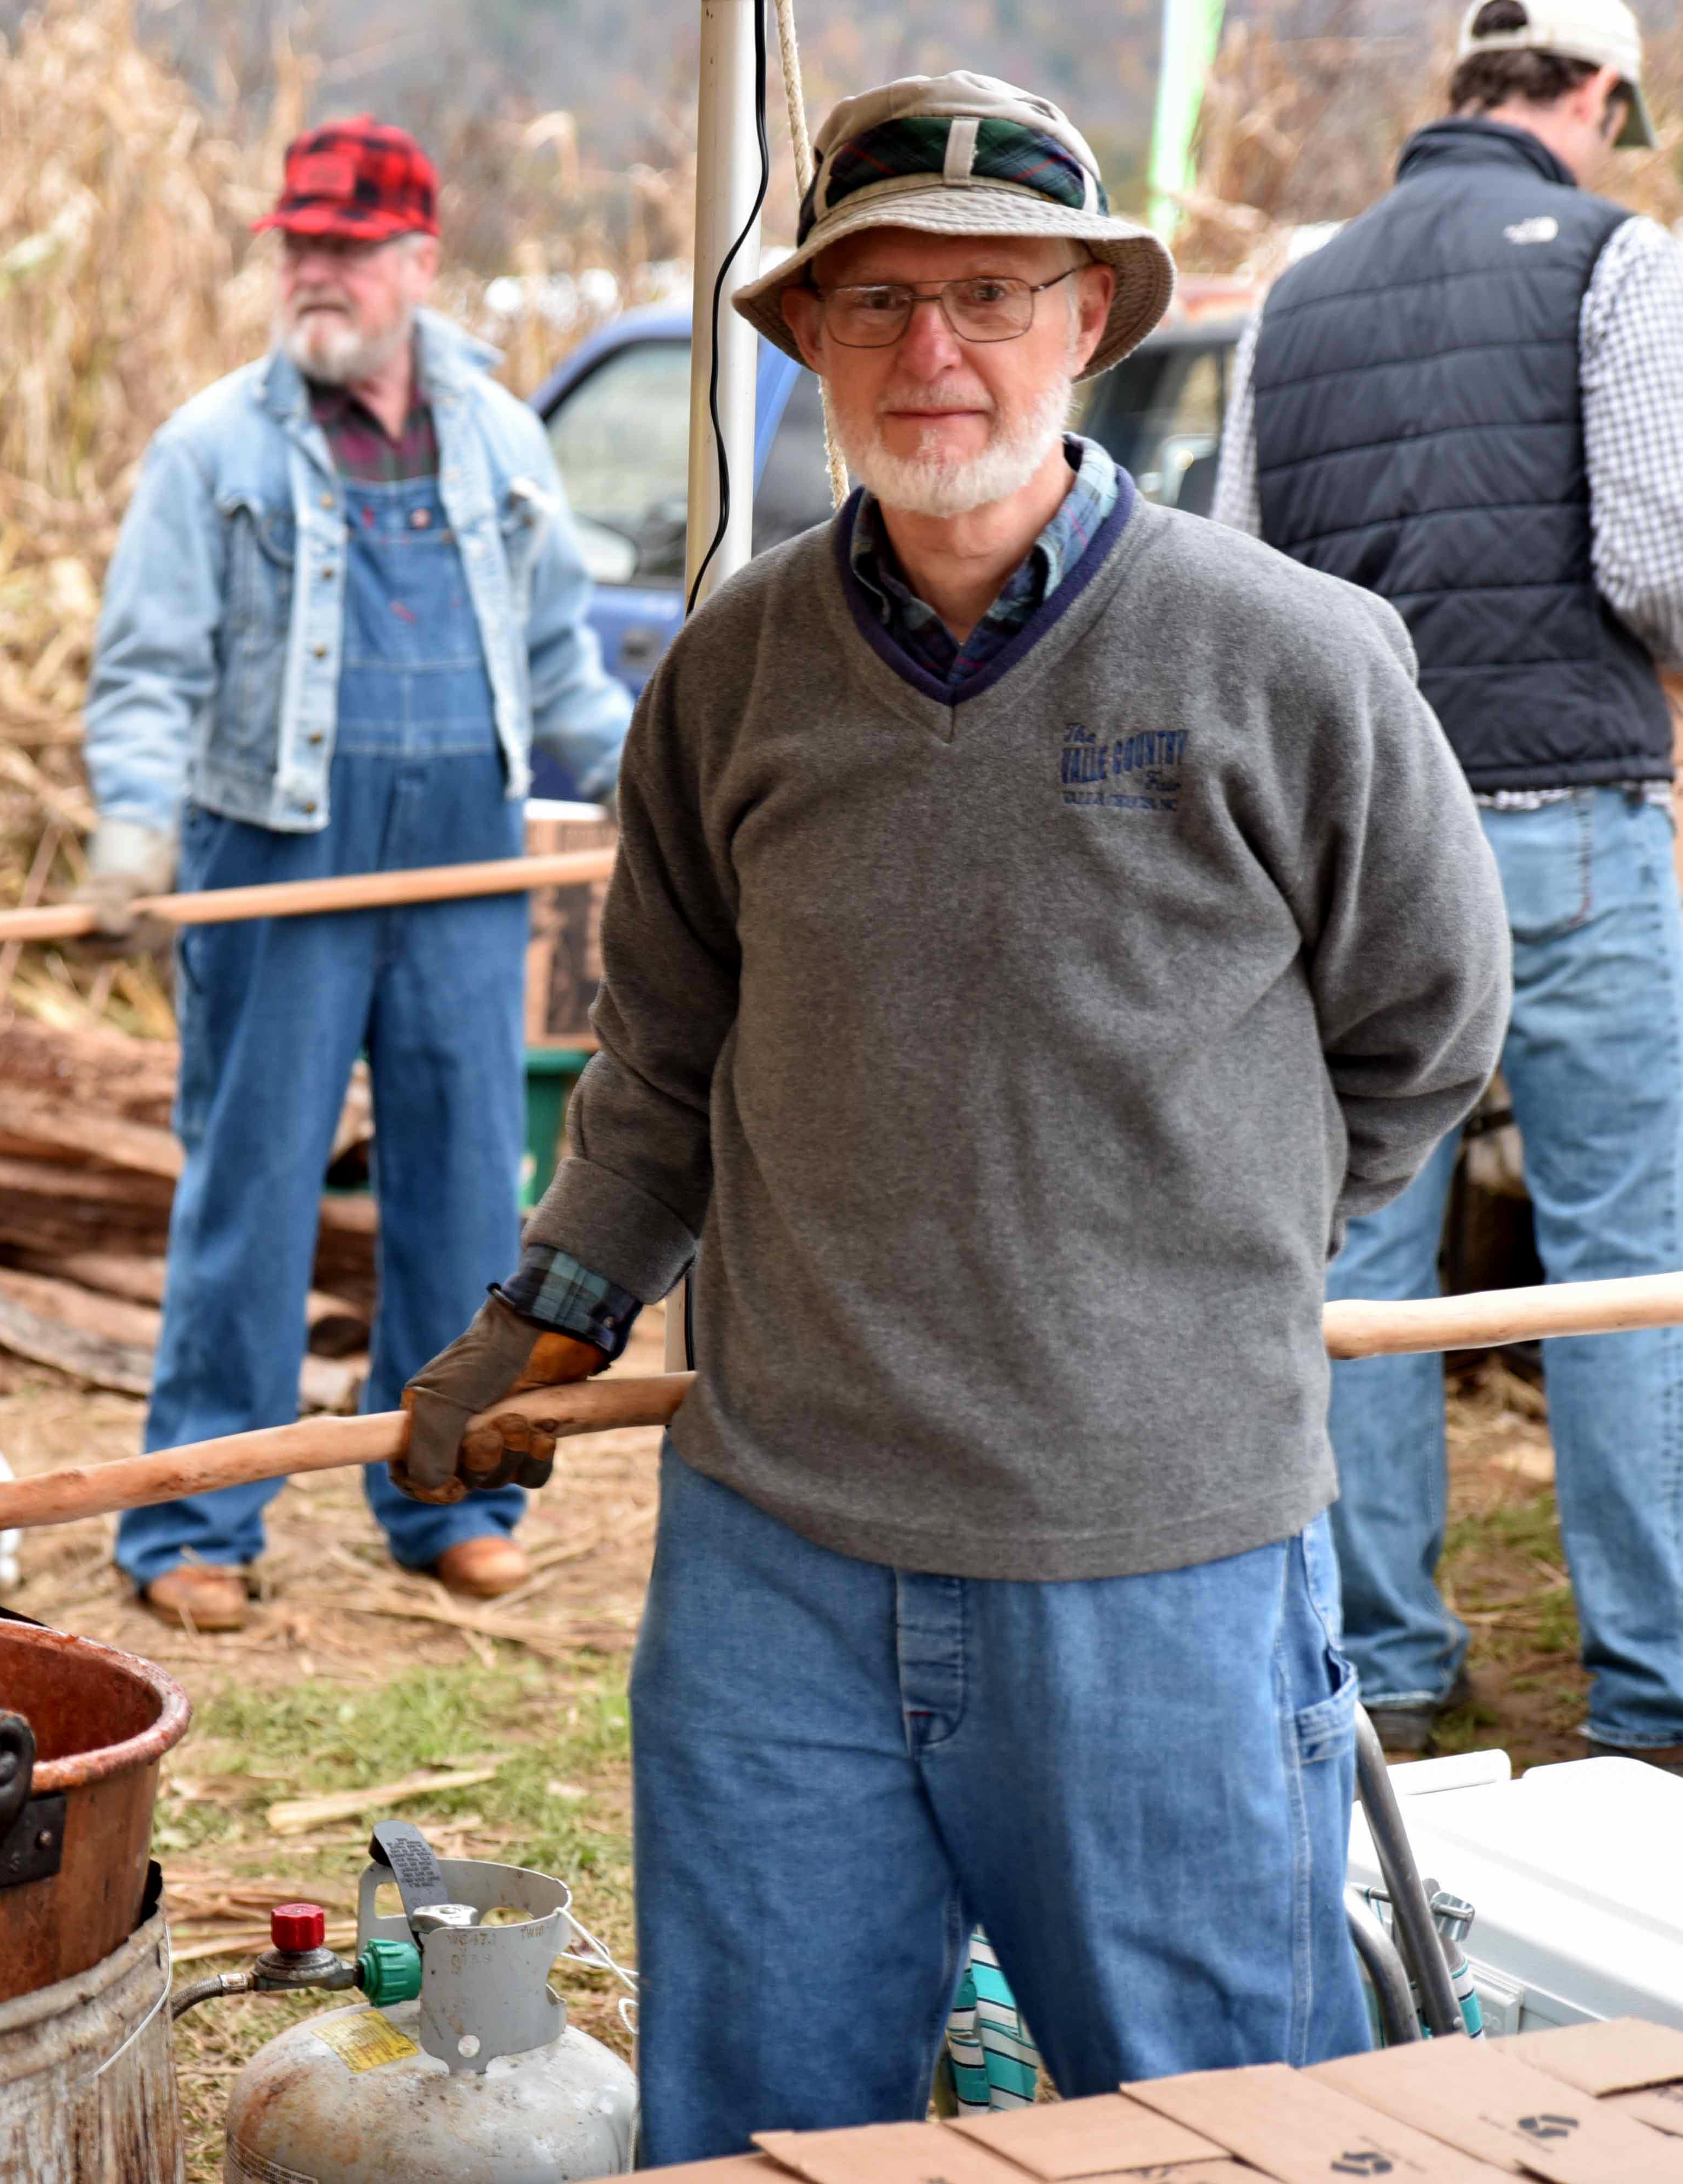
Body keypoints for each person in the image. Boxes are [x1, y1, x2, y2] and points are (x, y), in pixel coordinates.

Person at [394, 72, 1513, 2156]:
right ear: (810, 338)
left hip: (1155, 1558)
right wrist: (557, 1299)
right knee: (757, 2123)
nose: (936, 353)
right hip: (778, 1559)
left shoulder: (1290, 658)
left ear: (1089, 320)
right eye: (881, 301)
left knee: (1213, 2129)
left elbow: (1429, 1027)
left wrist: (1190, 1266)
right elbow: (665, 1059)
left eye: (992, 294)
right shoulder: (731, 680)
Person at [1213, 0, 1683, 1793]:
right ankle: (1673, 1686)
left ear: (1465, 89)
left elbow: (1238, 581)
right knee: (1617, 1261)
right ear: (1596, 97)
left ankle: (1378, 1671)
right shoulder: (1615, 258)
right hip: (1565, 830)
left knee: (1365, 1265)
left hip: (1353, 850)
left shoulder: (1297, 291)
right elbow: (1663, 564)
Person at [76, 119, 632, 1633]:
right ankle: (197, 1519)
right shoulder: (215, 451)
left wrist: (659, 776)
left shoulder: (505, 442)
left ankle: (452, 1496)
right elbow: (145, 674)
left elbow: (560, 671)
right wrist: (134, 824)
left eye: (345, 250)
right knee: (251, 1196)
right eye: (298, 249)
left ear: (416, 263)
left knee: (464, 1197)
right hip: (280, 851)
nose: (314, 276)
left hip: (461, 857)